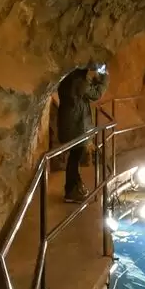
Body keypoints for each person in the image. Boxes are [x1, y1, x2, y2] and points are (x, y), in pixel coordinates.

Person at [57, 63, 109, 203]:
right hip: (76, 128)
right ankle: (71, 191)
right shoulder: (78, 82)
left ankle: (74, 186)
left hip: (70, 126)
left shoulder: (67, 79)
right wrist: (104, 76)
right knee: (75, 158)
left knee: (74, 157)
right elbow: (96, 94)